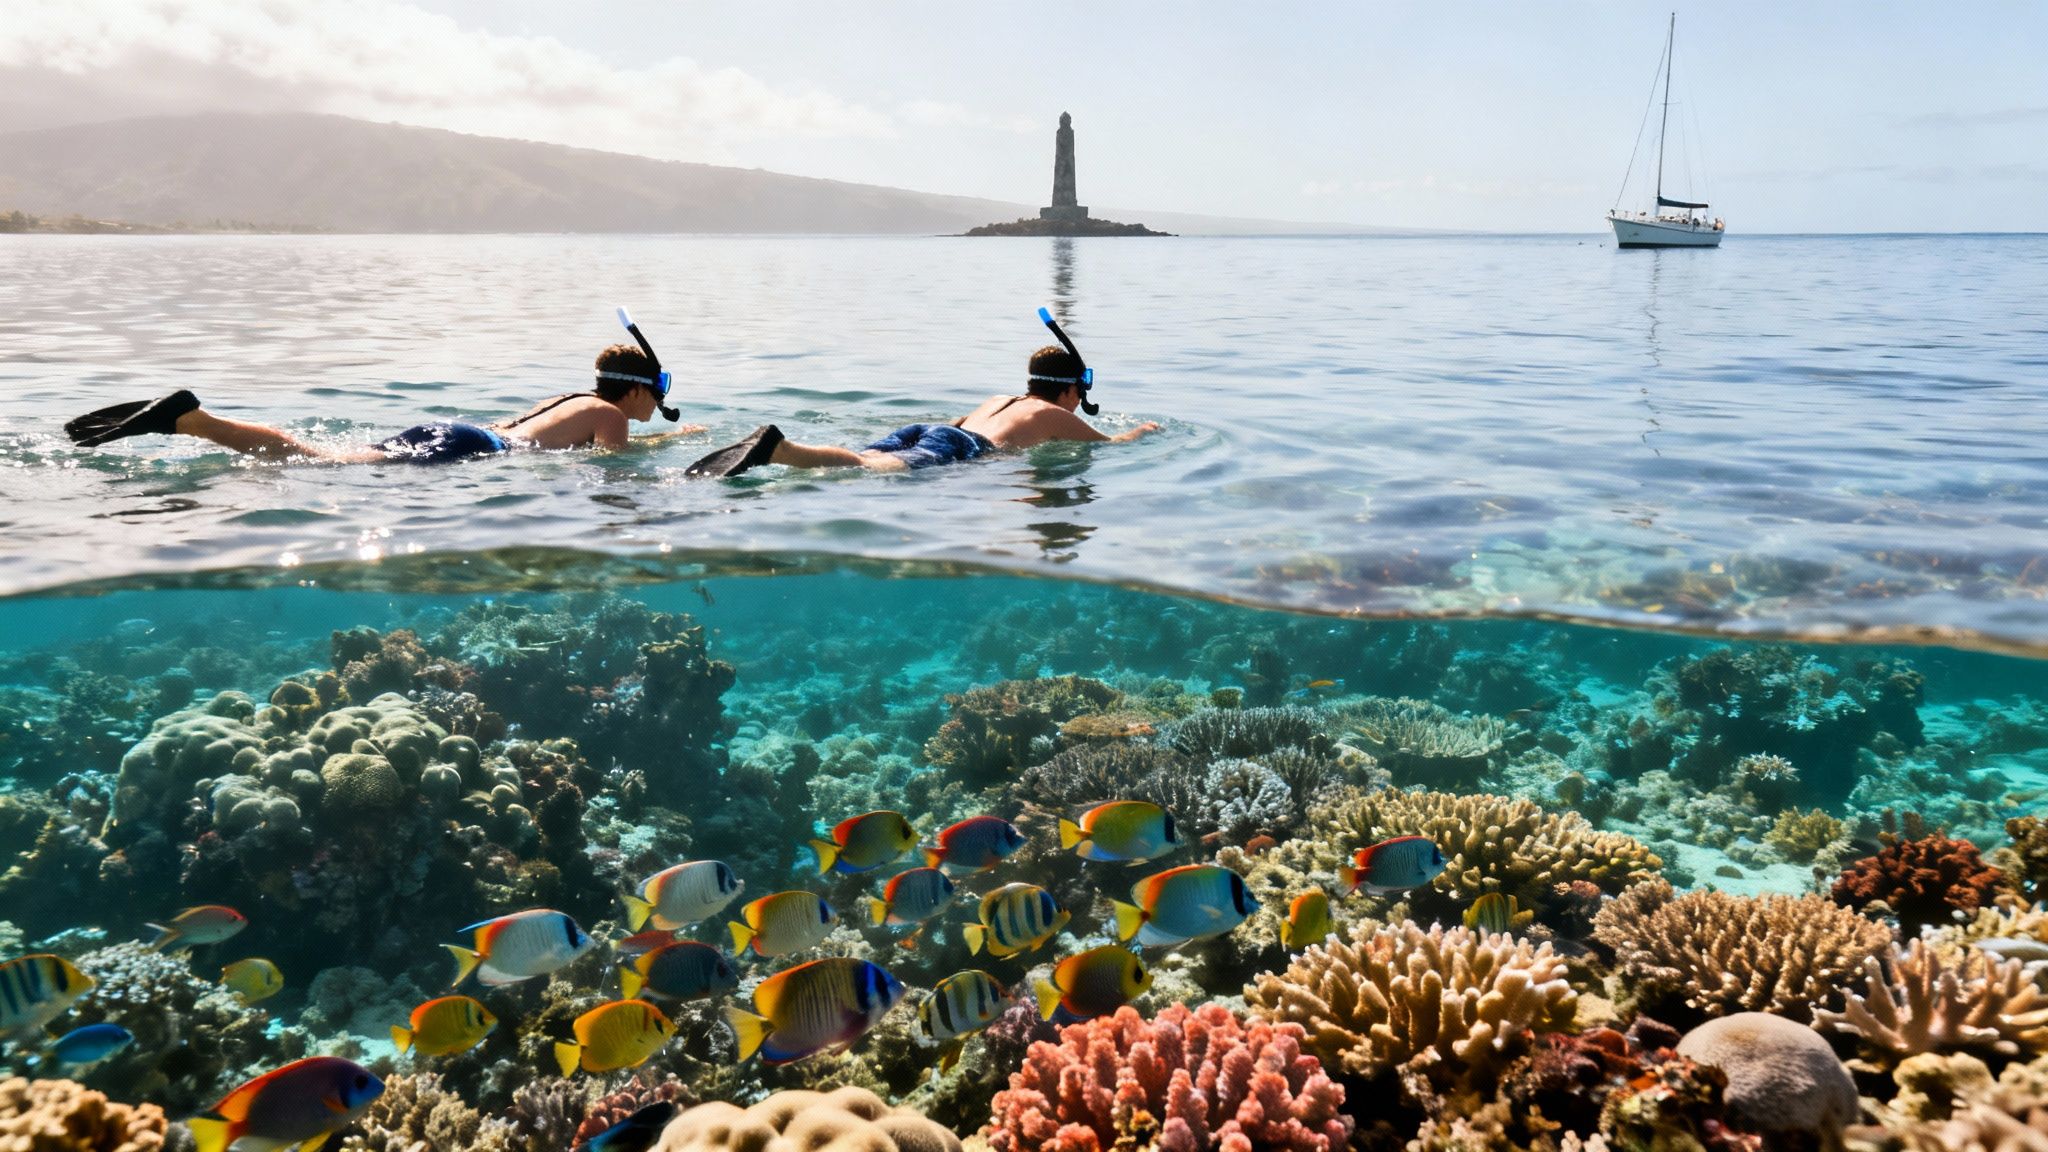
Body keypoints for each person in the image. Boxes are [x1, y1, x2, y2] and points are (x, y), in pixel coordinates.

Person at [64, 309, 695, 463]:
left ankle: (193, 423)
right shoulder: (609, 418)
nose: (658, 402)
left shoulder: (570, 399)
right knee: (316, 465)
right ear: (636, 390)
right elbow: (613, 474)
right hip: (472, 452)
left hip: (456, 432)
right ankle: (193, 421)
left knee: (327, 459)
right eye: (659, 388)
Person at [686, 310, 1158, 478]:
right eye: (1082, 388)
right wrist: (1143, 432)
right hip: (964, 447)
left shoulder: (999, 399)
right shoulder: (1054, 414)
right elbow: (1108, 446)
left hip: (931, 430)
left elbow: (953, 425)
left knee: (859, 458)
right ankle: (781, 448)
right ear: (1071, 388)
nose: (1081, 398)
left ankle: (789, 452)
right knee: (870, 471)